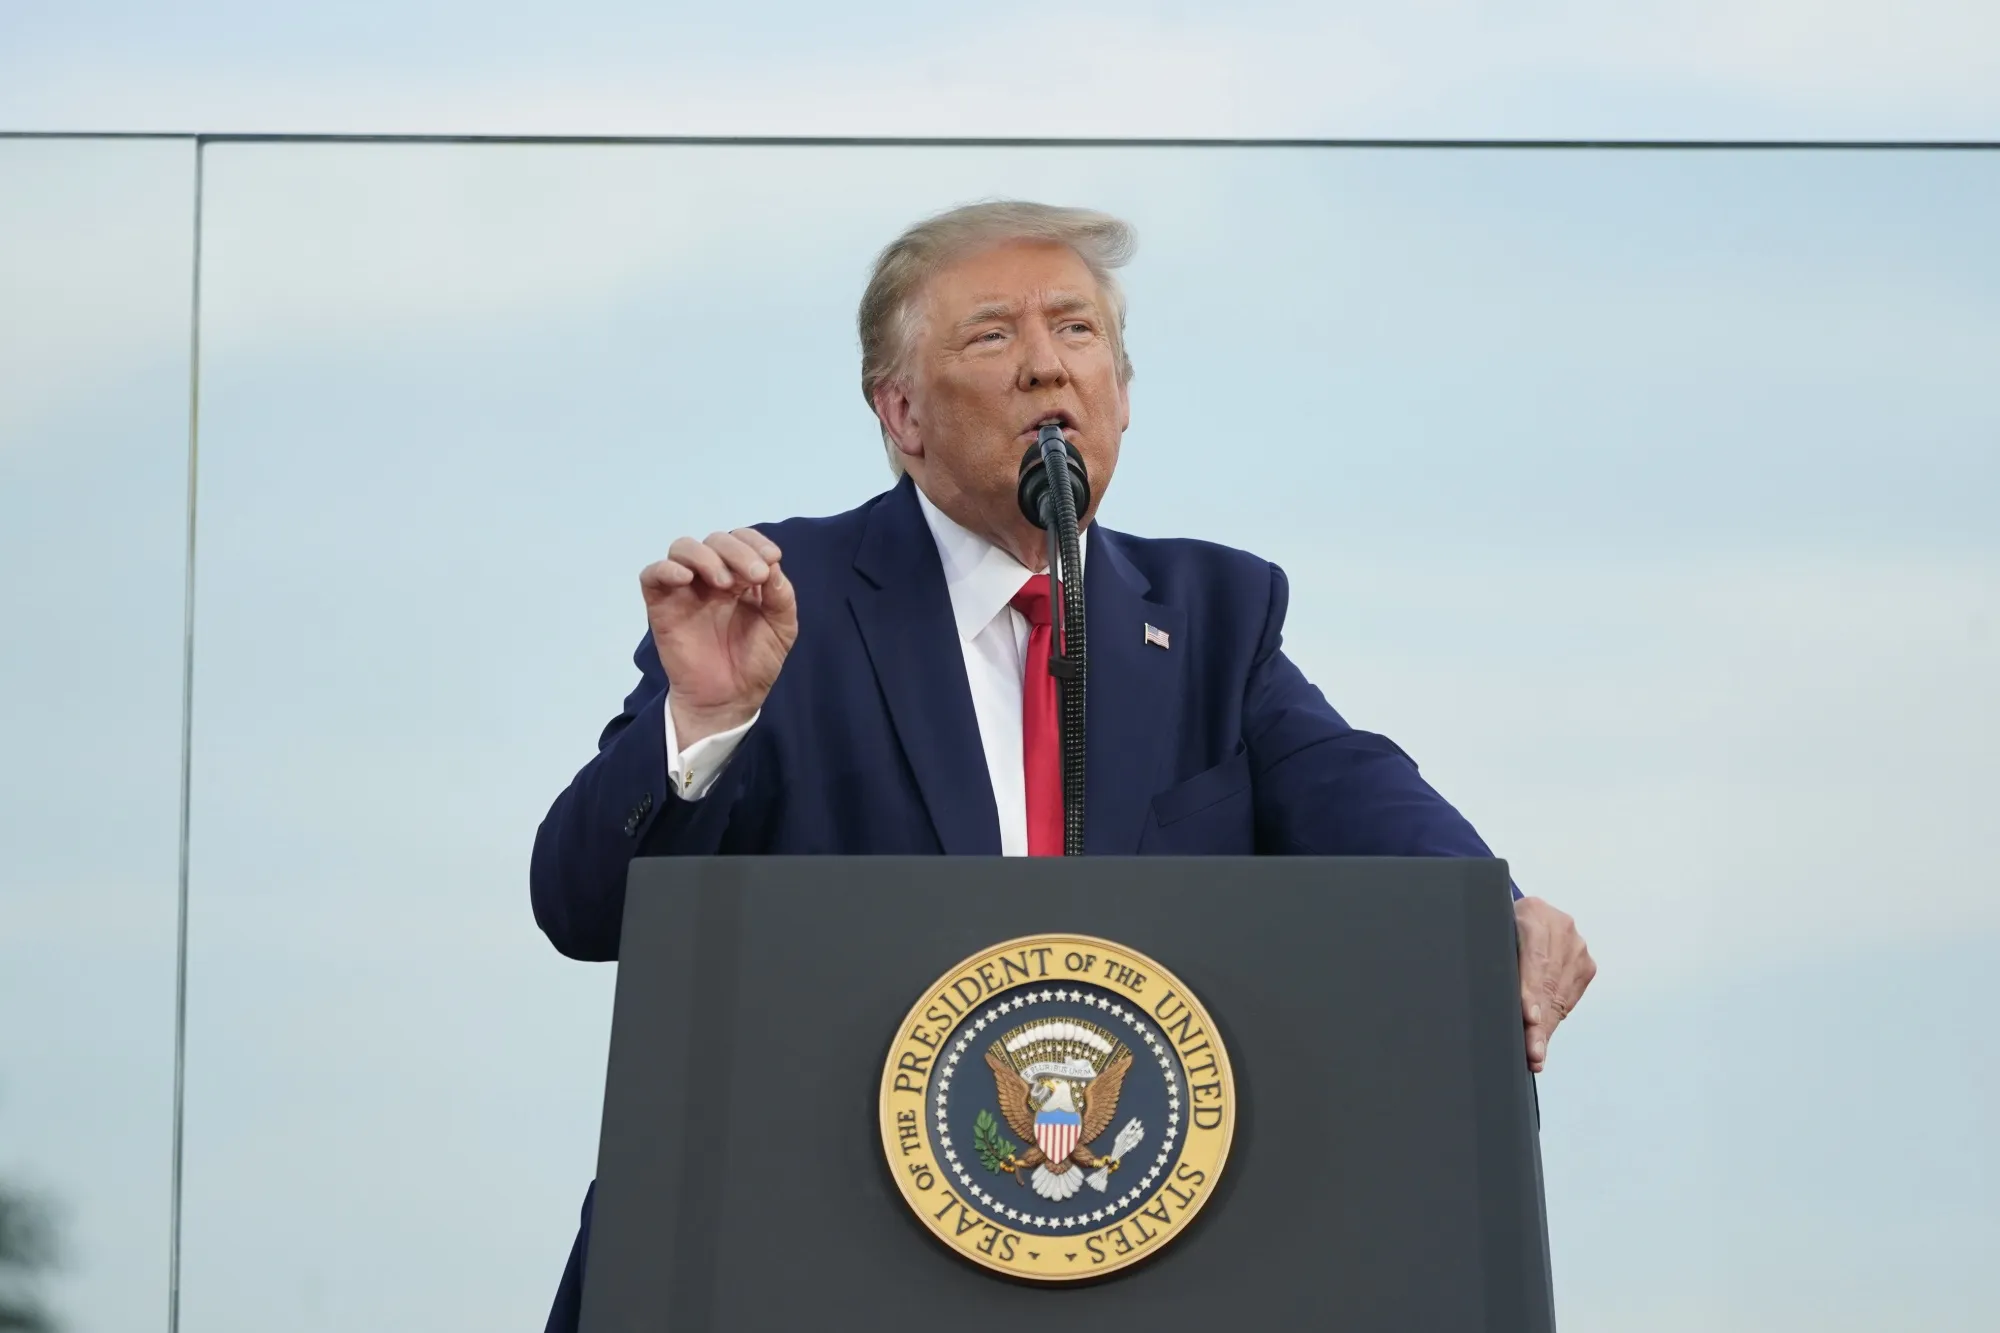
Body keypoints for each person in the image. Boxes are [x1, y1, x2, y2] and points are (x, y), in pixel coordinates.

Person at [531, 201, 1596, 1331]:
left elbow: (1361, 795)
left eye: (1078, 331)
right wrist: (705, 717)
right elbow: (583, 905)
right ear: (900, 413)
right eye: (993, 335)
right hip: (797, 1258)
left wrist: (1496, 916)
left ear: (1122, 395)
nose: (1047, 365)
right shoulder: (778, 606)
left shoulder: (1211, 617)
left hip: (1143, 1273)